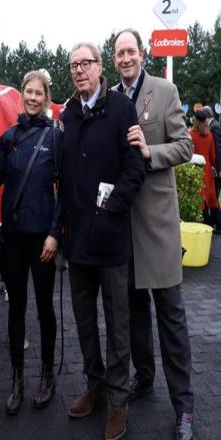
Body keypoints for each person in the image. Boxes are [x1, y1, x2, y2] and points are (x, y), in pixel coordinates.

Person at [57, 42, 145, 440]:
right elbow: (63, 177)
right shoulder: (67, 116)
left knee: (118, 325)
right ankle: (94, 387)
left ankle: (118, 401)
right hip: (78, 242)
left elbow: (134, 169)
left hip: (111, 242)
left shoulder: (122, 109)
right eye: (73, 65)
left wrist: (111, 211)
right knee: (84, 322)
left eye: (85, 63)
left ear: (98, 67)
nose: (79, 70)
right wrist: (61, 227)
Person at [112, 28, 194, 440]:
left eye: (131, 51)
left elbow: (184, 146)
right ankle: (144, 378)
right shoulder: (110, 97)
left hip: (158, 225)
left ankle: (184, 408)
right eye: (119, 53)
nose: (126, 58)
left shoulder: (165, 91)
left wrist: (150, 151)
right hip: (122, 227)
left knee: (171, 318)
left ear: (142, 53)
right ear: (114, 59)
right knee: (133, 314)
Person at [0, 70, 60, 415]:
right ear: (21, 95)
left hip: (42, 241)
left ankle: (47, 376)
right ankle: (17, 379)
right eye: (28, 92)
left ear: (46, 98)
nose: (33, 98)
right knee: (15, 309)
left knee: (45, 308)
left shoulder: (55, 137)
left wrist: (55, 234)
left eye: (38, 93)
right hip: (14, 240)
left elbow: (64, 190)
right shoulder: (9, 137)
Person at [190, 110, 220, 228]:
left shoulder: (191, 134)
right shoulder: (210, 135)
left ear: (196, 121)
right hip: (207, 169)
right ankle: (213, 223)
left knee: (198, 198)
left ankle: (204, 223)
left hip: (195, 168)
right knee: (210, 198)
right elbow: (213, 156)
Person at [203, 105, 221, 226]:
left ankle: (217, 223)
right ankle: (215, 223)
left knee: (214, 196)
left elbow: (218, 149)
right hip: (215, 168)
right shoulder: (214, 125)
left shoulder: (214, 127)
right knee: (213, 196)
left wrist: (218, 169)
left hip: (217, 169)